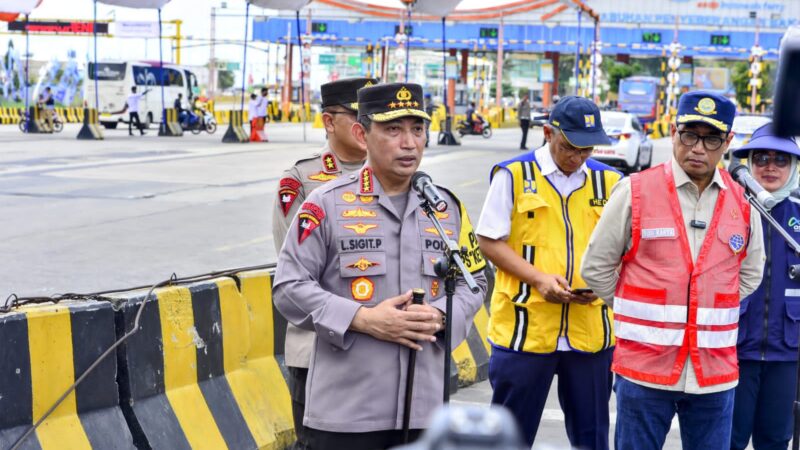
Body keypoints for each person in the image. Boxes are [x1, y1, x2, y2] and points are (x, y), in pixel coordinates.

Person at [273, 82, 487, 450]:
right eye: (393, 129)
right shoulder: (325, 204)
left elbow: (474, 281)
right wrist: (362, 318)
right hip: (346, 414)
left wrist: (439, 317)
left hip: (425, 410)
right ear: (362, 133)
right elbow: (289, 286)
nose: (409, 143)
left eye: (417, 129)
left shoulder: (446, 209)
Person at [580, 91, 765, 450]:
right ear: (672, 132)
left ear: (727, 142)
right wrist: (636, 308)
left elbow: (750, 274)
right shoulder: (635, 190)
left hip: (713, 375)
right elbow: (597, 266)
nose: (698, 147)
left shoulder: (743, 202)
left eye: (711, 138)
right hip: (644, 371)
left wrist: (712, 304)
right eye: (689, 134)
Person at [477, 96, 621, 449]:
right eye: (570, 146)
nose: (578, 156)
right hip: (526, 328)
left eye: (588, 148)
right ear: (547, 132)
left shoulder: (612, 183)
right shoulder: (513, 175)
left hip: (590, 330)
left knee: (592, 438)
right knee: (509, 438)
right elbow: (488, 241)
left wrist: (601, 284)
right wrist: (539, 279)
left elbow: (626, 250)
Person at [271, 76, 376, 450]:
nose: (368, 124)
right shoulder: (301, 179)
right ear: (329, 122)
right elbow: (295, 267)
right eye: (357, 115)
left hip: (383, 347)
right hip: (318, 344)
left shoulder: (393, 174)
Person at [729, 124, 800, 450]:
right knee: (728, 438)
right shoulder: (731, 207)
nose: (770, 167)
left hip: (788, 353)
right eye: (762, 158)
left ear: (794, 167)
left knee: (775, 439)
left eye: (781, 160)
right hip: (734, 349)